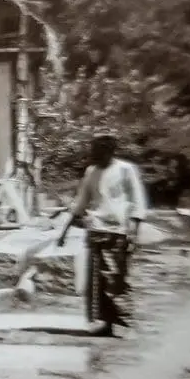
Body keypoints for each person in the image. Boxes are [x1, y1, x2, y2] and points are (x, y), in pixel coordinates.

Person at [57, 131, 149, 337]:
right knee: (97, 280)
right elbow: (81, 202)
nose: (94, 156)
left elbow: (138, 201)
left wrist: (134, 232)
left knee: (116, 277)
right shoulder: (91, 171)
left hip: (120, 231)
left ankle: (123, 321)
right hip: (97, 229)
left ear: (110, 152)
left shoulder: (126, 170)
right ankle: (104, 322)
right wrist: (64, 231)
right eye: (93, 152)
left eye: (99, 152)